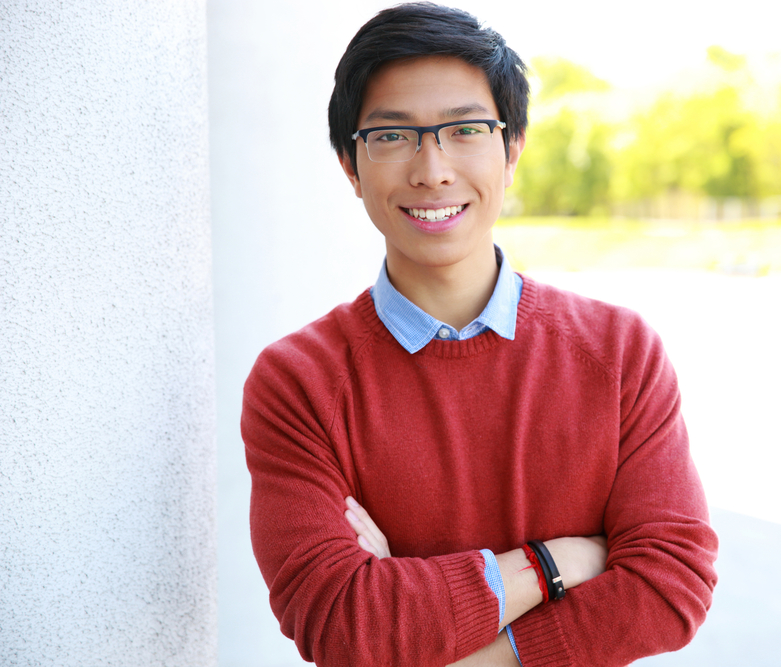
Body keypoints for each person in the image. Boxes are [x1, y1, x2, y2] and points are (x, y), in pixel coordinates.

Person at [241, 3, 718, 666]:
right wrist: (556, 562)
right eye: (391, 135)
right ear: (351, 167)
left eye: (465, 129)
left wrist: (452, 639)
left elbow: (670, 589)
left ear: (512, 150)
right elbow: (338, 619)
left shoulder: (619, 353)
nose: (432, 169)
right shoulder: (299, 382)